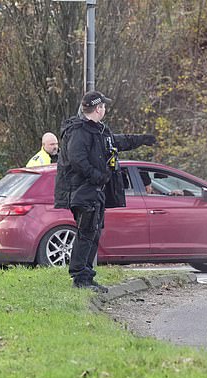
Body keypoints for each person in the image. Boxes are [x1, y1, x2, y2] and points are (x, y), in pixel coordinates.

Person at [54, 91, 155, 291]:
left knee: (94, 233)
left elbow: (119, 141)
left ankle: (86, 276)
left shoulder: (99, 131)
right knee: (86, 233)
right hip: (83, 192)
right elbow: (77, 159)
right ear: (98, 108)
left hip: (96, 192)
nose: (105, 109)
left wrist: (141, 139)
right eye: (104, 106)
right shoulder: (79, 131)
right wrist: (97, 176)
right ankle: (80, 278)